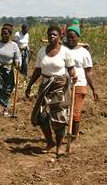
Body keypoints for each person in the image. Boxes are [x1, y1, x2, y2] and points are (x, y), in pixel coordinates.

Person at [25, 25, 77, 155]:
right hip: (45, 85)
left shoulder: (65, 52)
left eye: (54, 34)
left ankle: (59, 145)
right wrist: (30, 85)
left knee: (59, 119)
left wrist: (74, 76)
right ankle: (50, 142)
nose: (51, 36)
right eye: (49, 34)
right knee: (41, 116)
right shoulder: (42, 51)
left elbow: (71, 69)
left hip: (60, 86)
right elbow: (38, 70)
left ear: (60, 37)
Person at [64, 25, 99, 141]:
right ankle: (65, 133)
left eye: (73, 37)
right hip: (64, 84)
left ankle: (74, 137)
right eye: (68, 37)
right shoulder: (62, 50)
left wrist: (94, 89)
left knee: (75, 112)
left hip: (79, 83)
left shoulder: (84, 52)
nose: (70, 39)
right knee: (64, 111)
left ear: (78, 37)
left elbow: (88, 73)